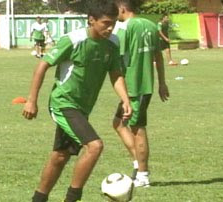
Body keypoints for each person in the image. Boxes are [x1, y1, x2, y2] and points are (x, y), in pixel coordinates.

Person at [22, 1, 132, 201]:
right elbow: (42, 66)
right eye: (105, 23)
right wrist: (32, 100)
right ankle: (72, 198)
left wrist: (125, 99)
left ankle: (38, 199)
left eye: (113, 23)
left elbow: (116, 73)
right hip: (64, 103)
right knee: (95, 146)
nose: (110, 28)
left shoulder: (113, 43)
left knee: (60, 156)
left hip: (83, 108)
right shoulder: (73, 40)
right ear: (91, 20)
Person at [113, 0, 170, 188]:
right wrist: (162, 82)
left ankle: (143, 175)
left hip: (133, 86)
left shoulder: (125, 28)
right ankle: (138, 163)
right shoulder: (150, 25)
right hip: (146, 85)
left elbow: (118, 57)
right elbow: (158, 56)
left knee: (137, 129)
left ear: (122, 8)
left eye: (116, 10)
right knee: (119, 123)